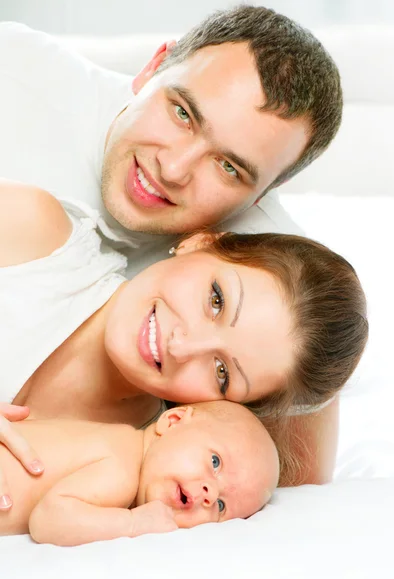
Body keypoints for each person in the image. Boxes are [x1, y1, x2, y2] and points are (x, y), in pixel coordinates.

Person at [0, 3, 346, 499]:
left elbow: (298, 485)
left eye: (230, 168)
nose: (175, 168)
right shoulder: (16, 74)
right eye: (182, 113)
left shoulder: (265, 267)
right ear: (152, 68)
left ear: (264, 194)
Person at [0, 181, 368, 509]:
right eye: (216, 300)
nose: (182, 346)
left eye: (222, 372)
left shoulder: (158, 472)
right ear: (201, 242)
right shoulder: (33, 236)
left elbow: (310, 498)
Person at [0, 400, 279, 546]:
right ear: (173, 421)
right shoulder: (123, 466)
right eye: (215, 462)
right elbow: (48, 519)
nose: (210, 493)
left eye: (221, 506)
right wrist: (132, 524)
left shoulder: (117, 441)